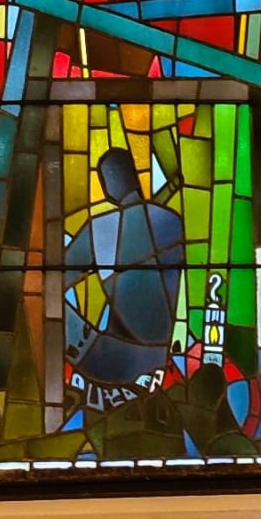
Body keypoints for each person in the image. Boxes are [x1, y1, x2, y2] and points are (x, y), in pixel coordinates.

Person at [64, 148, 185, 389]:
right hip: (166, 353)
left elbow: (56, 277)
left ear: (108, 188)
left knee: (47, 303)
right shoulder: (172, 220)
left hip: (116, 358)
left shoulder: (100, 228)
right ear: (134, 177)